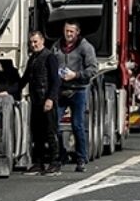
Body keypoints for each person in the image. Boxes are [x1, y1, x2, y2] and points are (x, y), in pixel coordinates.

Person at [54, 21, 97, 172]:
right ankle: (61, 155)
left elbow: (93, 69)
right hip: (61, 90)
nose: (68, 34)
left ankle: (81, 158)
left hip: (78, 90)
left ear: (77, 32)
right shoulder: (57, 46)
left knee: (77, 125)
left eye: (71, 31)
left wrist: (76, 75)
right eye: (66, 31)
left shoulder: (85, 47)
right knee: (53, 124)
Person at [19, 31, 62, 175]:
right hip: (36, 100)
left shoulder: (50, 57)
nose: (33, 45)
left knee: (50, 132)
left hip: (47, 100)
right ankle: (38, 163)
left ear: (42, 41)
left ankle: (55, 162)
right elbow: (25, 79)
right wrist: (10, 91)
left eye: (35, 42)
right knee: (37, 133)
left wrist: (50, 99)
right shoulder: (33, 58)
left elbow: (55, 81)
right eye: (31, 42)